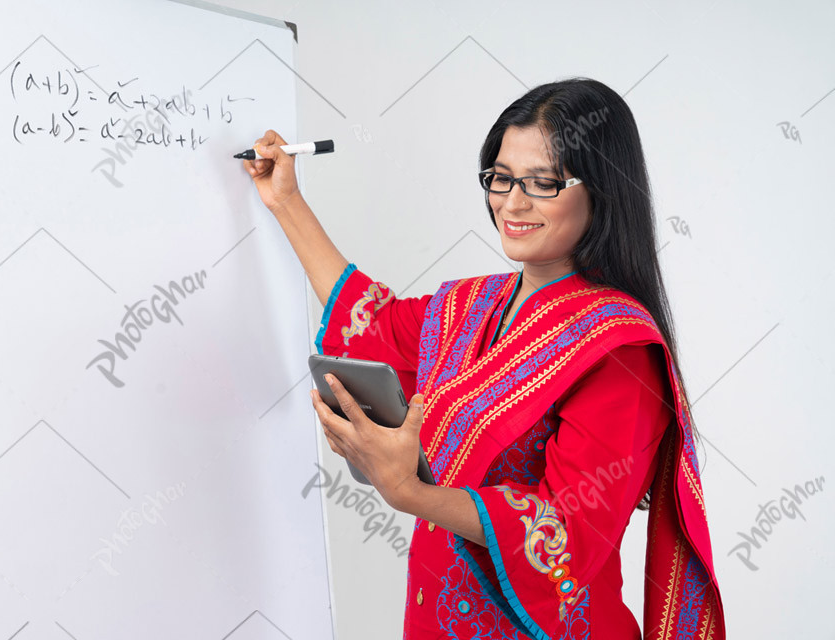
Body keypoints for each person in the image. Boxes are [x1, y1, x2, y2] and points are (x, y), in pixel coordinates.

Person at [242, 77, 725, 640]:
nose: (512, 203)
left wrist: (410, 493)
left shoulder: (618, 351)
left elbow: (568, 533)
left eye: (543, 183)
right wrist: (286, 200)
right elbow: (371, 323)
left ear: (602, 191)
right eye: (501, 178)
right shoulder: (468, 306)